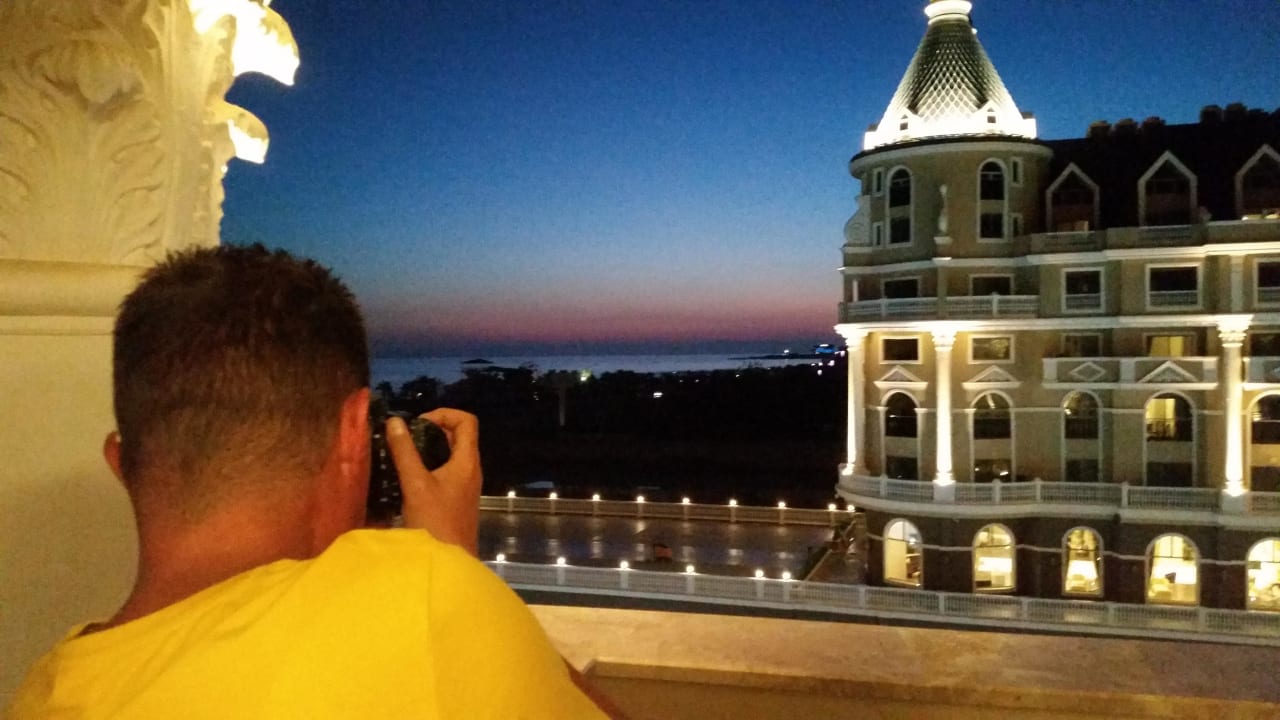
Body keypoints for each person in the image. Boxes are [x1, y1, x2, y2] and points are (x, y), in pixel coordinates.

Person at [6, 245, 618, 719]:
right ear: (357, 432)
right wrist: (450, 562)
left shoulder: (42, 694)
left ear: (121, 463)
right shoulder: (422, 598)